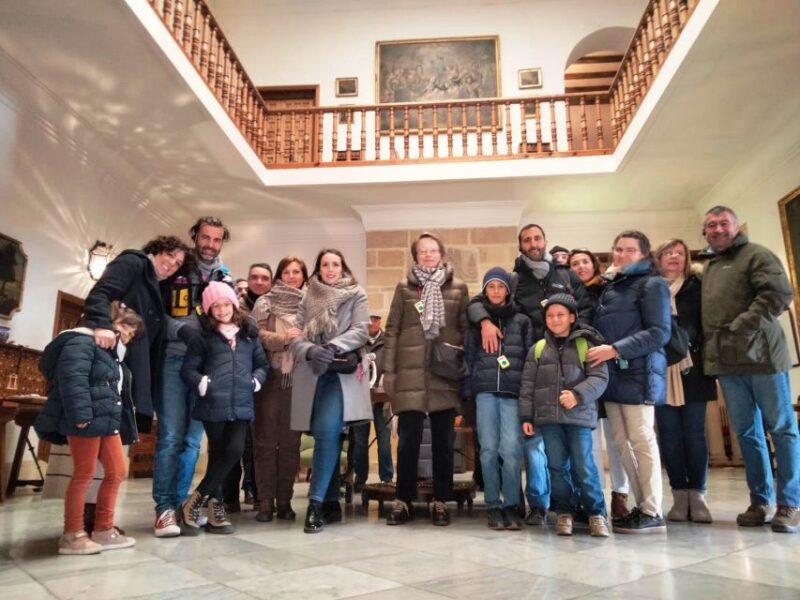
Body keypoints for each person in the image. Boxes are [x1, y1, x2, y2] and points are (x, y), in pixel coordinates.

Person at [469, 224, 591, 526]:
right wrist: (484, 320)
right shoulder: (516, 278)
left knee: (563, 444)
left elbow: (585, 309)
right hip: (521, 375)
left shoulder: (564, 274)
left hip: (558, 367)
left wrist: (582, 342)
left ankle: (579, 505)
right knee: (523, 445)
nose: (533, 243)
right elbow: (474, 306)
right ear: (520, 245)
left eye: (537, 238)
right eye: (527, 239)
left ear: (545, 241)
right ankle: (530, 504)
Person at [701, 205, 800, 533]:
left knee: (781, 429)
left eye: (723, 223)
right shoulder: (711, 266)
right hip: (729, 365)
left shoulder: (757, 254)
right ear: (705, 232)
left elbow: (779, 294)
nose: (717, 229)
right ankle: (760, 500)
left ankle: (790, 503)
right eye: (711, 225)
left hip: (763, 359)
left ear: (735, 226)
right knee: (747, 434)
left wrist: (742, 325)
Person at [35, 302, 143, 555]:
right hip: (86, 419)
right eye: (127, 328)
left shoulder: (109, 351)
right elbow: (73, 379)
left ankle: (104, 530)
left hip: (106, 421)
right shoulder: (80, 341)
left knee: (116, 471)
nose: (129, 335)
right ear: (112, 323)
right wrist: (81, 415)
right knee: (83, 474)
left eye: (132, 332)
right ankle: (72, 534)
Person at [153, 216, 233, 538]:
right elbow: (161, 316)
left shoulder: (226, 277)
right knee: (171, 436)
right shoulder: (178, 270)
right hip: (174, 361)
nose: (210, 244)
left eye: (216, 239)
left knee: (191, 441)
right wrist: (183, 330)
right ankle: (164, 509)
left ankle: (184, 505)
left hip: (206, 368)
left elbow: (231, 316)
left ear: (222, 243)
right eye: (205, 237)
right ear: (195, 237)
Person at [383, 232, 469, 527]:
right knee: (408, 442)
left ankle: (440, 500)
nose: (429, 255)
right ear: (415, 256)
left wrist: (461, 362)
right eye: (423, 251)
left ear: (442, 254)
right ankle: (403, 499)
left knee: (444, 443)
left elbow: (465, 329)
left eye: (433, 251)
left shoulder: (458, 287)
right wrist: (389, 372)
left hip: (443, 374)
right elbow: (392, 330)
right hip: (409, 374)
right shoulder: (404, 288)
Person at [588, 230, 670, 534]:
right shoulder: (611, 289)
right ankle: (643, 507)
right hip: (613, 372)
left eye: (630, 250)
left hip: (639, 371)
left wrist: (616, 349)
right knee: (623, 444)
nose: (622, 255)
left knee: (642, 440)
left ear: (644, 255)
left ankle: (653, 509)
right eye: (618, 249)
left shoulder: (652, 285)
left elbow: (659, 332)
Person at [289, 249, 372, 533]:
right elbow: (295, 336)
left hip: (341, 376)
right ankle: (330, 501)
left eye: (336, 263)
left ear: (343, 266)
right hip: (313, 374)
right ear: (319, 269)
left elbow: (362, 330)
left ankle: (315, 505)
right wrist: (311, 350)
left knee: (326, 432)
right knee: (329, 436)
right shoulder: (307, 295)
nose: (331, 269)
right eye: (325, 264)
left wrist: (332, 347)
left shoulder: (356, 292)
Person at [519, 294, 610, 537]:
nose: (555, 319)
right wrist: (526, 417)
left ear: (572, 317)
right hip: (549, 420)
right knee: (556, 467)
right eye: (550, 315)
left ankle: (595, 512)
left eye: (560, 314)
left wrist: (577, 395)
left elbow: (600, 378)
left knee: (584, 466)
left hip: (578, 417)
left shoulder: (586, 345)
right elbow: (527, 387)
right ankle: (564, 512)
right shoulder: (537, 350)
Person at [180, 282, 267, 535]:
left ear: (234, 305)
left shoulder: (249, 335)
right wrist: (201, 382)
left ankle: (193, 502)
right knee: (219, 455)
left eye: (226, 304)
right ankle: (216, 512)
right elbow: (188, 369)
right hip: (213, 404)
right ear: (208, 309)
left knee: (235, 450)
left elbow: (262, 364)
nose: (221, 310)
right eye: (215, 306)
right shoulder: (202, 337)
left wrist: (256, 380)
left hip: (241, 403)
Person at [653, 239, 717, 523]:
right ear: (658, 259)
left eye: (680, 252)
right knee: (669, 435)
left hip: (694, 367)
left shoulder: (698, 286)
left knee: (694, 433)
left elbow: (708, 323)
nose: (674, 257)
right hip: (660, 368)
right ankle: (679, 493)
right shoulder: (650, 288)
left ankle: (698, 494)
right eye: (668, 253)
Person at [465, 267, 532, 530]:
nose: (495, 291)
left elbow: (529, 361)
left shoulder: (522, 321)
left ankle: (511, 505)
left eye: (500, 286)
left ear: (507, 290)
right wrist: (468, 393)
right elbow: (468, 358)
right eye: (490, 287)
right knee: (488, 450)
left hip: (512, 393)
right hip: (484, 393)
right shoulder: (476, 321)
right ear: (484, 290)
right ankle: (493, 505)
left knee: (512, 451)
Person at [569, 248, 631, 521]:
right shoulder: (569, 297)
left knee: (618, 438)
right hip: (584, 372)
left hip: (613, 368)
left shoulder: (609, 290)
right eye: (574, 264)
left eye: (585, 261)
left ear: (594, 264)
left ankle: (621, 494)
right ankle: (592, 496)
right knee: (589, 440)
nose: (580, 267)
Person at [250, 256, 308, 522]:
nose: (292, 276)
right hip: (270, 377)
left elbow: (318, 334)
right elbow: (256, 335)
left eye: (297, 272)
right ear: (279, 276)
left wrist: (303, 341)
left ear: (304, 275)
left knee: (290, 444)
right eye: (287, 271)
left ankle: (284, 501)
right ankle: (264, 502)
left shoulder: (312, 304)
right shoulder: (265, 302)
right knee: (264, 442)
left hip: (300, 378)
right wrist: (285, 339)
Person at [223, 262, 273, 512]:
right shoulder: (233, 309)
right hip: (236, 380)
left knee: (257, 442)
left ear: (271, 282)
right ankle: (229, 495)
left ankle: (253, 490)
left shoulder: (274, 307)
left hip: (266, 379)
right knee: (234, 440)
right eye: (255, 277)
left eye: (265, 278)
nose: (259, 281)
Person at [351, 313, 394, 490]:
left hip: (382, 400)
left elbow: (392, 366)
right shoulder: (357, 341)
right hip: (360, 399)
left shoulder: (388, 342)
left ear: (379, 321)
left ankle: (387, 478)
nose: (372, 323)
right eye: (368, 319)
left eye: (375, 319)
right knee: (360, 443)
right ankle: (360, 479)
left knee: (384, 442)